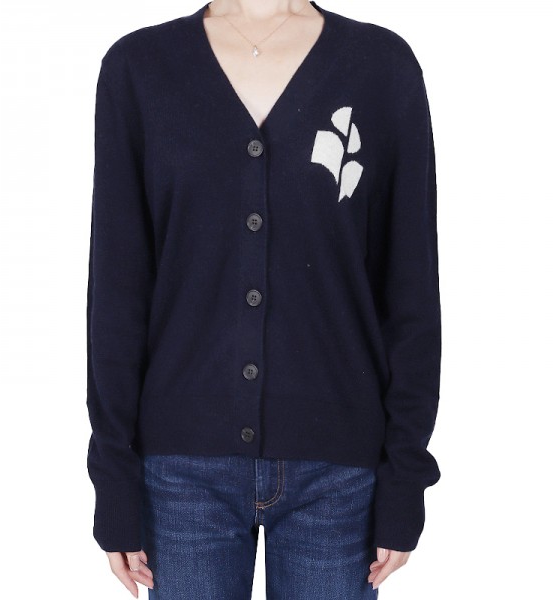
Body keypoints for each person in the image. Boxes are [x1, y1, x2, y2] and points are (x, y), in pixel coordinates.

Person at [86, 1, 442, 598]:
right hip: (179, 472)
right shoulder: (139, 68)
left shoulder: (381, 67)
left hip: (339, 473)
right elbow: (118, 293)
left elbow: (410, 291)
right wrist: (114, 477)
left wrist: (405, 476)